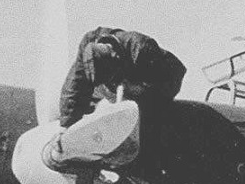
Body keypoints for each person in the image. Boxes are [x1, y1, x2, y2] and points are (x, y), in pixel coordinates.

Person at [58, 27, 186, 129]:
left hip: (165, 78)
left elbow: (163, 89)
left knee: (146, 115)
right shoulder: (88, 45)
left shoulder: (142, 49)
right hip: (121, 82)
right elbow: (73, 87)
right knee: (83, 93)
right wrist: (67, 126)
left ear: (115, 55)